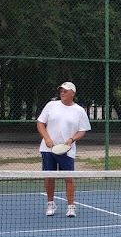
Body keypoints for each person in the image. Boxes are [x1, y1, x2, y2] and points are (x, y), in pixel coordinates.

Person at [36, 82, 91, 217]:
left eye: (65, 91)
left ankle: (71, 206)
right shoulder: (51, 105)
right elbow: (40, 123)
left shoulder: (79, 110)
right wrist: (47, 139)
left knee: (69, 178)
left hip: (67, 150)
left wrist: (72, 139)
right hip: (48, 149)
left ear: (72, 93)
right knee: (49, 177)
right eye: (61, 91)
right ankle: (50, 204)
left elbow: (82, 130)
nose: (62, 93)